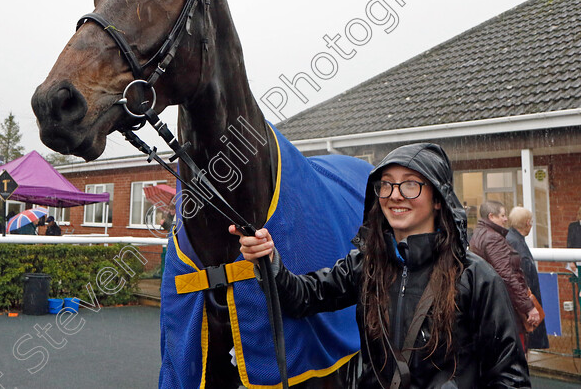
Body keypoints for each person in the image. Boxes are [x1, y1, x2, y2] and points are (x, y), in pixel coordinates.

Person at [231, 143, 529, 387]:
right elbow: (302, 298)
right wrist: (269, 259)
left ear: (438, 198)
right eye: (386, 185)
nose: (395, 195)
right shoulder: (366, 266)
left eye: (410, 184)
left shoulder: (476, 277)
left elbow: (509, 377)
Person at [470, 200, 540, 350]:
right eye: (502, 215)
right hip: (504, 310)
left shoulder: (479, 234)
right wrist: (528, 307)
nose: (506, 219)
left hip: (489, 309)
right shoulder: (493, 238)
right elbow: (507, 275)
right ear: (491, 216)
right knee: (515, 356)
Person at [507, 206, 549, 350]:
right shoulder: (517, 245)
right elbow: (522, 282)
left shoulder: (509, 239)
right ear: (527, 223)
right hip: (522, 311)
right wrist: (529, 307)